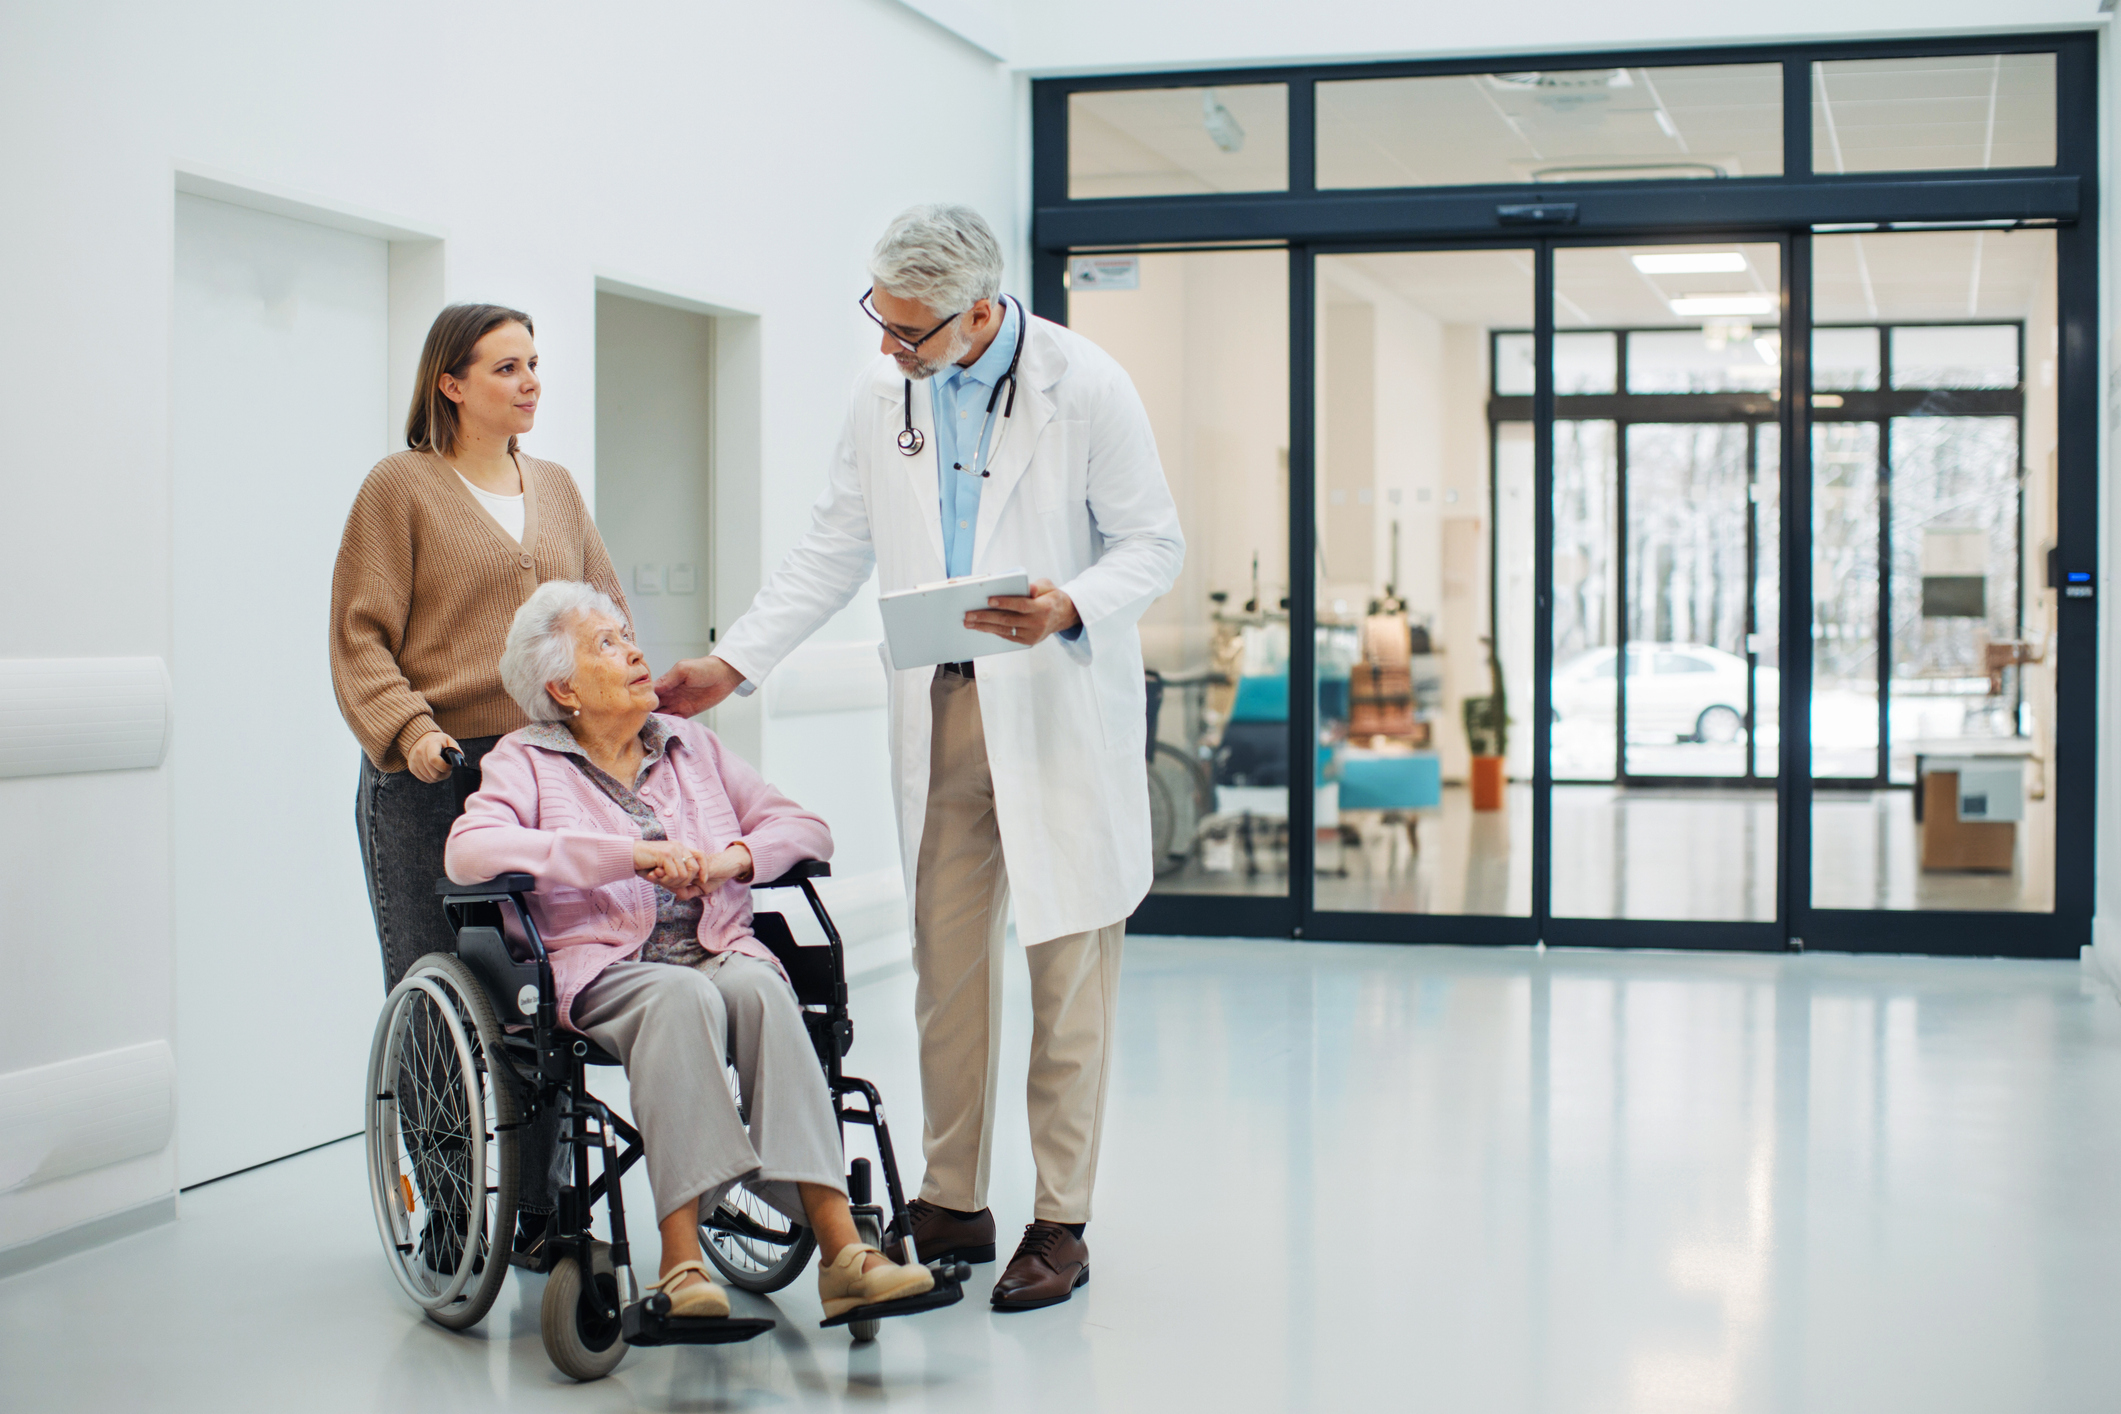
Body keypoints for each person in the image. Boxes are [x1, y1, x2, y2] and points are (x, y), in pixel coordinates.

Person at [654, 205, 1183, 1311]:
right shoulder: (881, 394)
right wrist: (732, 663)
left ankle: (1060, 1219)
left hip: (1054, 707)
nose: (889, 348)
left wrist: (1071, 602)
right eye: (880, 324)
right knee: (947, 971)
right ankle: (952, 1197)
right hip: (941, 705)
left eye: (910, 332)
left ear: (981, 310)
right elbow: (830, 548)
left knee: (1067, 981)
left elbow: (1154, 542)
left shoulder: (1085, 386)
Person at [446, 581, 935, 1319]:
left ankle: (843, 1252)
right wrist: (625, 857)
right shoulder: (526, 761)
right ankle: (680, 1265)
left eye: (627, 634)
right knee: (682, 997)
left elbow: (805, 829)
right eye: (605, 643)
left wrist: (732, 859)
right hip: (607, 970)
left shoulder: (689, 744)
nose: (634, 650)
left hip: (713, 947)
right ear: (562, 687)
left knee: (764, 990)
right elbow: (470, 851)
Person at [331, 302, 630, 992]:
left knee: (543, 987)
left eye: (532, 365)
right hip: (431, 777)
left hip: (544, 768)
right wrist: (412, 733)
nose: (529, 382)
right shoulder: (399, 486)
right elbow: (360, 635)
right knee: (436, 983)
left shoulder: (555, 487)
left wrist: (617, 715)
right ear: (451, 384)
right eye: (506, 368)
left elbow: (604, 614)